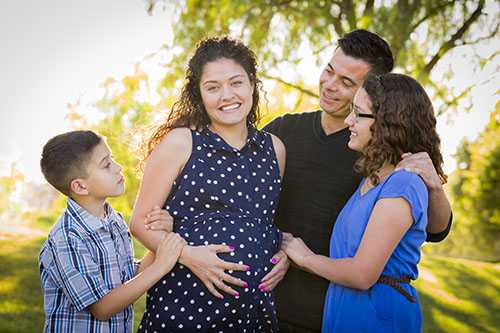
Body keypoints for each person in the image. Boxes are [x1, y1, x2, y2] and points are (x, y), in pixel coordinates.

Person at [263, 29, 453, 332]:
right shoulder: (283, 130)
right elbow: (241, 198)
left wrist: (435, 187)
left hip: (330, 312)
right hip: (267, 301)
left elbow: (434, 229)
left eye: (347, 82)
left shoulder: (381, 156)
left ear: (374, 96)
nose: (330, 86)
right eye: (329, 71)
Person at [129, 36, 286, 332]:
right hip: (185, 308)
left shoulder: (274, 148)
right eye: (212, 87)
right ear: (199, 94)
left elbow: (266, 224)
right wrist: (188, 255)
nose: (226, 95)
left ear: (252, 84)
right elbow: (140, 223)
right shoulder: (181, 142)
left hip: (253, 315)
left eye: (236, 83)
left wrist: (284, 254)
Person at [38, 130, 185, 333]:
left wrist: (162, 241)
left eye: (112, 159)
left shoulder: (114, 221)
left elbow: (127, 278)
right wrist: (160, 266)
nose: (118, 167)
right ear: (80, 186)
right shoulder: (67, 238)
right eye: (106, 165)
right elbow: (102, 308)